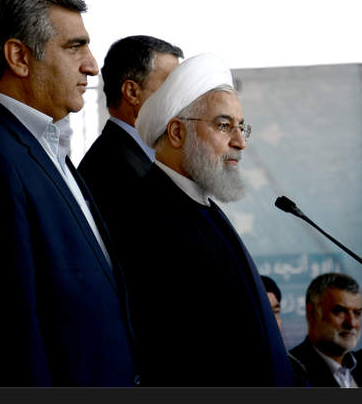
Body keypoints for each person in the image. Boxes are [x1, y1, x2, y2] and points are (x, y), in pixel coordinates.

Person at [0, 0, 136, 386]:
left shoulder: (40, 146)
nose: (92, 65)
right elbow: (5, 343)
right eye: (75, 46)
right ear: (19, 57)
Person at [113, 53, 294, 386]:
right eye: (224, 126)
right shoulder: (147, 215)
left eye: (242, 127)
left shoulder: (200, 203)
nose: (240, 142)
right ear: (177, 132)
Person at [78, 35, 182, 227]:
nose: (181, 97)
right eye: (171, 85)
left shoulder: (136, 156)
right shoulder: (110, 171)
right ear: (132, 92)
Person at [288, 273, 362, 387]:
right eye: (340, 311)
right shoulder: (291, 371)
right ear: (312, 313)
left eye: (357, 313)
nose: (351, 323)